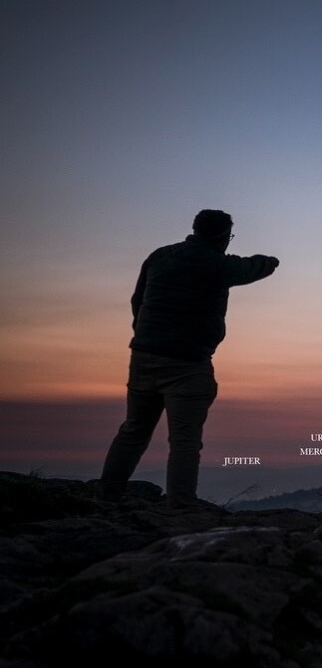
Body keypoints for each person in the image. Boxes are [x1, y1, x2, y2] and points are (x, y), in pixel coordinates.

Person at [98, 209, 279, 507]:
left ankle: (106, 495)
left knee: (133, 430)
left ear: (195, 229)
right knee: (184, 439)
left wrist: (146, 336)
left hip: (144, 356)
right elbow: (258, 266)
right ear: (223, 237)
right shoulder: (219, 265)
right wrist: (272, 261)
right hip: (188, 363)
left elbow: (137, 301)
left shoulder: (160, 257)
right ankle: (181, 506)